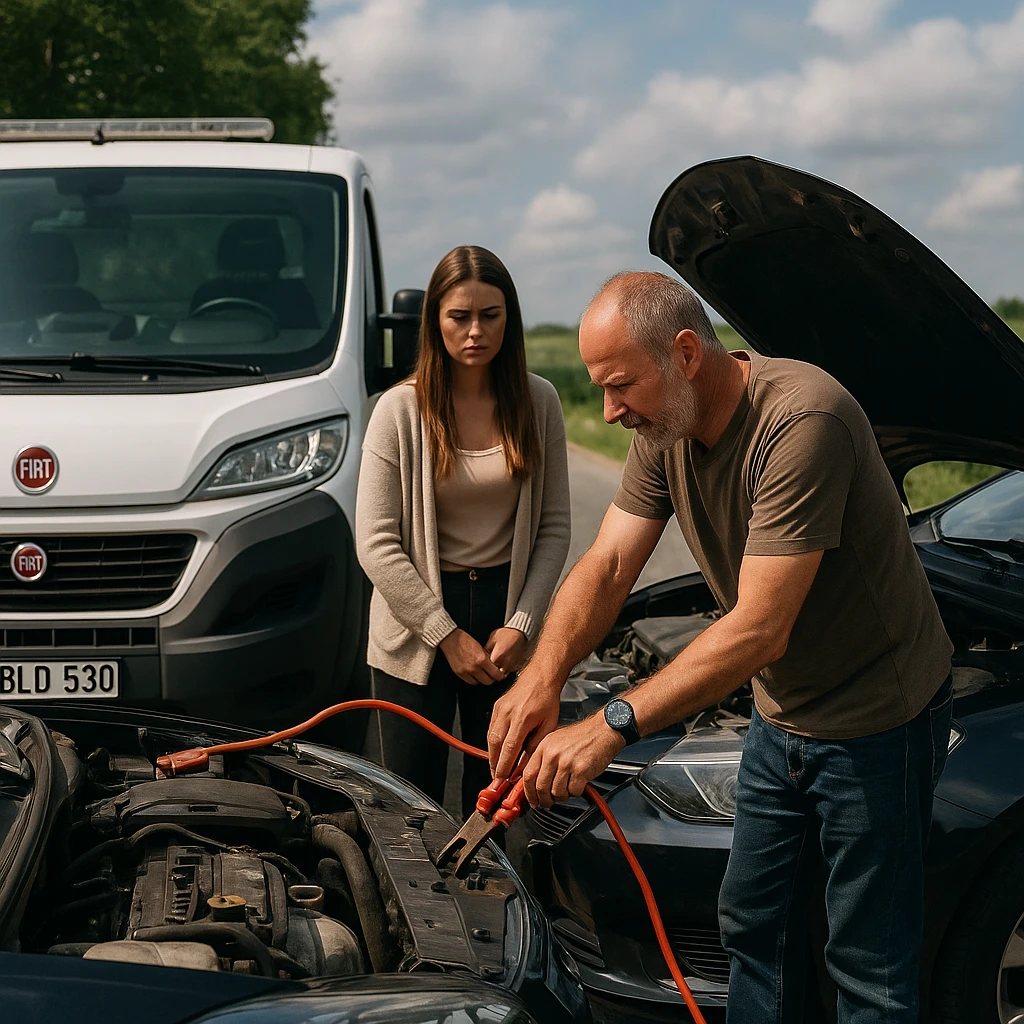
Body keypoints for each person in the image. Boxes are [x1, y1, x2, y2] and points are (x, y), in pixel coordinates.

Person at [487, 271, 953, 1022]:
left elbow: (761, 627)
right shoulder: (666, 425)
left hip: (877, 721)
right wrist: (543, 674)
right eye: (601, 390)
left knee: (869, 966)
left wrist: (610, 724)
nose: (609, 412)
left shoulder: (804, 418)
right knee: (753, 925)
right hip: (781, 713)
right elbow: (608, 563)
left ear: (684, 353)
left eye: (620, 386)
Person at [355, 245, 571, 819]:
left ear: (509, 319)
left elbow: (554, 527)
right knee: (410, 809)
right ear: (435, 321)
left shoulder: (539, 401)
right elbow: (374, 542)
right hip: (416, 625)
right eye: (460, 316)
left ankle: (492, 883)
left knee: (496, 803)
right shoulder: (398, 409)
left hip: (504, 622)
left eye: (490, 315)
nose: (476, 331)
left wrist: (523, 624)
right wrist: (445, 634)